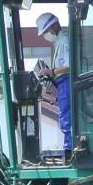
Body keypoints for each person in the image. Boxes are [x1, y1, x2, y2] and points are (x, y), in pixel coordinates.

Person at [36, 12, 71, 152]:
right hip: (62, 83)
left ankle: (69, 148)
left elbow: (69, 64)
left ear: (55, 26)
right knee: (65, 115)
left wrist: (51, 72)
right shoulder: (60, 41)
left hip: (66, 82)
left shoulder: (65, 40)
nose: (46, 35)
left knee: (66, 116)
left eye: (47, 31)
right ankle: (68, 146)